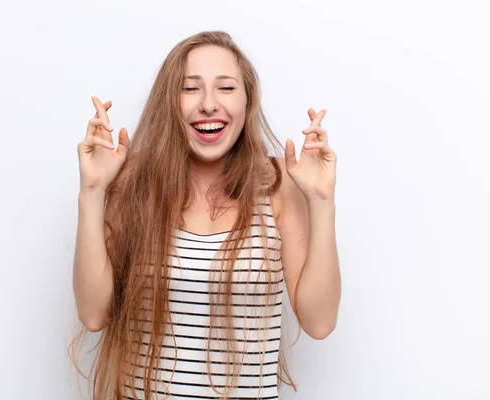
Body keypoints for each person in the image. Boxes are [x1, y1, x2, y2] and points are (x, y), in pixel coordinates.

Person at [70, 31, 341, 400]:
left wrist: (322, 200)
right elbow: (93, 314)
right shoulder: (134, 181)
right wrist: (92, 192)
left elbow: (319, 321)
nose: (209, 104)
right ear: (169, 101)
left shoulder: (279, 184)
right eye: (190, 88)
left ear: (247, 101)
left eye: (226, 88)